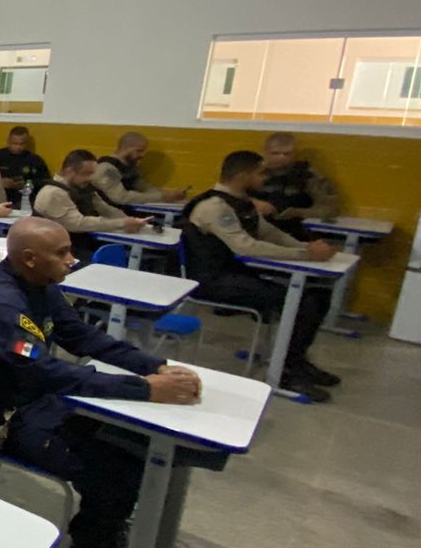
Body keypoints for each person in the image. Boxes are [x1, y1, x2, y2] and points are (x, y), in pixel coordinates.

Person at [0, 218, 203, 548]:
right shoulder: (2, 303)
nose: (72, 260)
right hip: (7, 421)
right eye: (62, 253)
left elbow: (84, 337)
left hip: (44, 403)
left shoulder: (42, 286)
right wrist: (143, 389)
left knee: (132, 445)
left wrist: (153, 366)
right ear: (29, 258)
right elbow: (42, 370)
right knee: (112, 474)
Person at [181, 151, 340, 401]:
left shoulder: (242, 203)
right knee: (303, 302)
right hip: (213, 281)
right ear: (243, 176)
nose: (266, 177)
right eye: (261, 172)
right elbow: (245, 247)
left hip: (236, 274)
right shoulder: (213, 206)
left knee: (318, 294)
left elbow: (270, 233)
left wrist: (307, 247)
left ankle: (296, 360)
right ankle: (285, 371)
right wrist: (305, 254)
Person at [32, 149, 150, 258]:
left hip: (79, 245)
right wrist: (121, 223)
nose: (90, 178)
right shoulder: (53, 193)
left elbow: (105, 209)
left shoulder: (83, 188)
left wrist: (131, 222)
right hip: (55, 252)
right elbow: (78, 224)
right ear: (69, 171)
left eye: (92, 173)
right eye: (86, 173)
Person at [252, 132, 338, 239]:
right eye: (275, 153)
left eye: (287, 154)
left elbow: (329, 208)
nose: (281, 158)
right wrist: (254, 203)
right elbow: (233, 197)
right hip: (257, 231)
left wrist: (297, 212)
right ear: (265, 152)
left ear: (294, 154)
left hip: (296, 231)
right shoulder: (252, 172)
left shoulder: (307, 175)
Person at [93, 132, 187, 209]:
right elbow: (121, 197)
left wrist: (169, 195)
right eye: (139, 151)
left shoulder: (130, 167)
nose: (142, 155)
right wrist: (161, 197)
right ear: (126, 148)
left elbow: (143, 187)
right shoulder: (106, 168)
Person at [0, 126, 51, 197]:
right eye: (14, 143)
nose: (18, 147)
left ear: (27, 143)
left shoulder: (35, 160)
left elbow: (45, 181)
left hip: (25, 197)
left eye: (22, 144)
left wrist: (26, 184)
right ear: (8, 141)